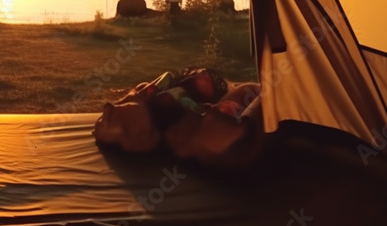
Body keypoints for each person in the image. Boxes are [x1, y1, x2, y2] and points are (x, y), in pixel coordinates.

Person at [92, 68, 266, 169]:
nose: (108, 106)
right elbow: (271, 100)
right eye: (110, 117)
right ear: (139, 140)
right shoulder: (206, 138)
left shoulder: (163, 109)